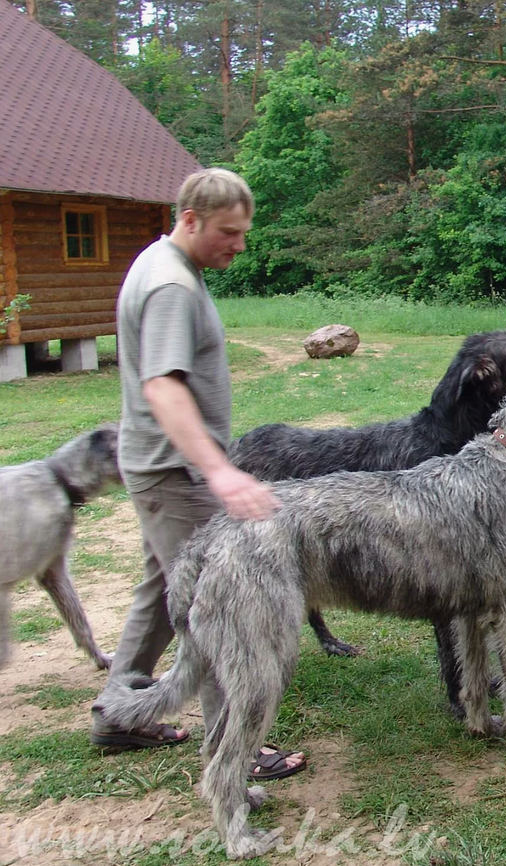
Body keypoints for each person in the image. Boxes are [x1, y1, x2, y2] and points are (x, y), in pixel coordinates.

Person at [90, 168, 306, 781]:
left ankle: (118, 710)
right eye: (228, 232)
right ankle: (232, 747)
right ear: (190, 219)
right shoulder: (171, 288)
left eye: (244, 232)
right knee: (219, 603)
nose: (239, 244)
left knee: (162, 591)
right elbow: (162, 386)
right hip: (177, 472)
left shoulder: (165, 263)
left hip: (161, 466)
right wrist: (218, 471)